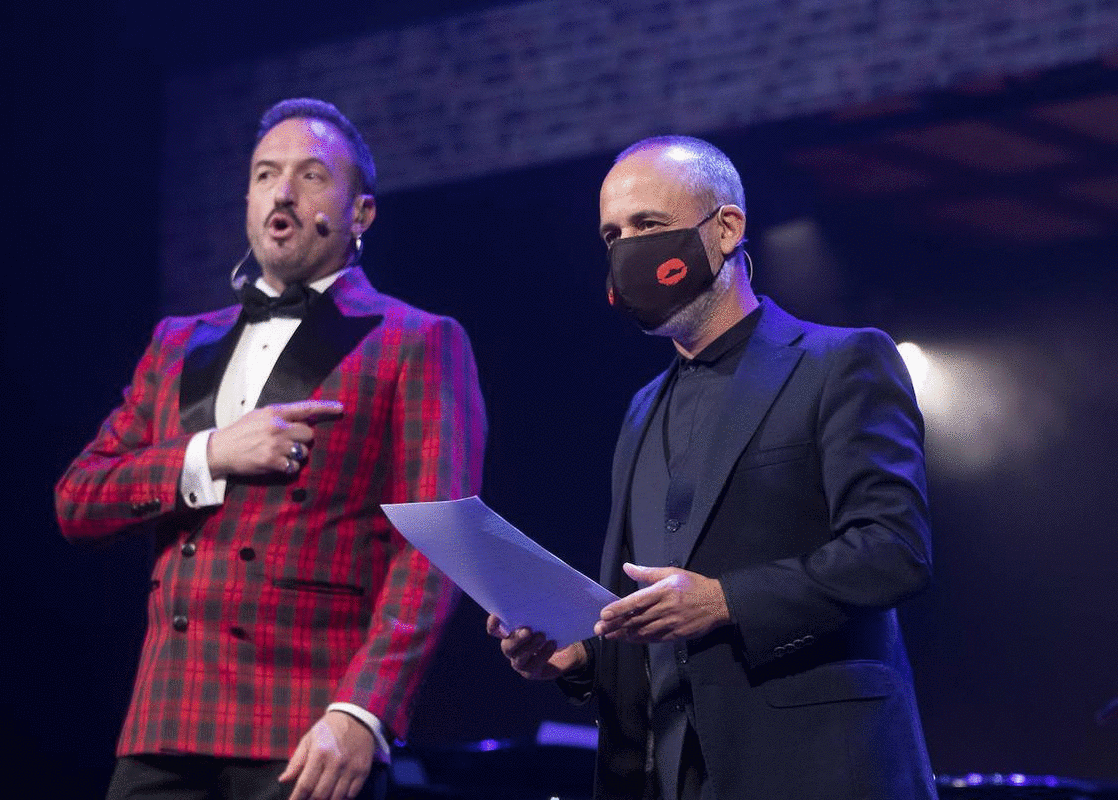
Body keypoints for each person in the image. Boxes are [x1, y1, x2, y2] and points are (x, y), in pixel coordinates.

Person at [57, 98, 486, 800]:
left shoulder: (415, 339)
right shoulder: (178, 341)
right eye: (265, 174)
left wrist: (363, 712)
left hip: (307, 725)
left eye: (311, 175)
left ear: (361, 214)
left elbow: (436, 548)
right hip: (166, 719)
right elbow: (79, 499)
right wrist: (210, 454)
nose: (282, 192)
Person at [489, 136, 936, 800]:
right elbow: (644, 614)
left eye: (648, 226)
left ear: (726, 228)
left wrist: (726, 599)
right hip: (667, 774)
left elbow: (893, 550)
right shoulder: (642, 409)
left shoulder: (841, 363)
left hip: (818, 771)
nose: (626, 251)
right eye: (612, 234)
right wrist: (579, 658)